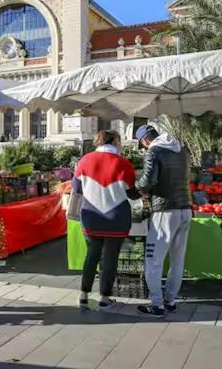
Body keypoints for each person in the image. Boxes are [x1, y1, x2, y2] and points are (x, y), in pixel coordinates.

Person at [72, 130, 139, 311]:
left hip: (91, 216)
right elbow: (133, 194)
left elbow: (77, 188)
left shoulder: (84, 161)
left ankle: (83, 296)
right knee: (110, 259)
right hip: (116, 218)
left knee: (91, 256)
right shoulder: (124, 164)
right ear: (115, 141)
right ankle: (104, 298)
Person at [135, 124, 192, 318]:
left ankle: (157, 305)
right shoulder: (181, 150)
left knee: (153, 260)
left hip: (165, 210)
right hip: (185, 208)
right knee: (178, 260)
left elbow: (148, 180)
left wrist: (134, 189)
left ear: (144, 141)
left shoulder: (154, 151)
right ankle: (171, 300)